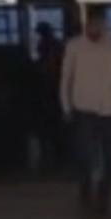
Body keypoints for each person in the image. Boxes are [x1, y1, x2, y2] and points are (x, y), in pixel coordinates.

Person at [60, 5, 111, 218]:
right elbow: (66, 79)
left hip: (109, 110)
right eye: (93, 23)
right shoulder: (74, 47)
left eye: (101, 23)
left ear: (105, 23)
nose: (97, 27)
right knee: (84, 158)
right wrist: (65, 106)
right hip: (83, 109)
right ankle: (86, 196)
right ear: (87, 23)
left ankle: (103, 198)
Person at [32, 21, 66, 173]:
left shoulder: (52, 48)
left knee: (50, 126)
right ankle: (56, 155)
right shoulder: (56, 46)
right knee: (53, 126)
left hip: (51, 91)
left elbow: (48, 69)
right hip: (53, 91)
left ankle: (53, 155)